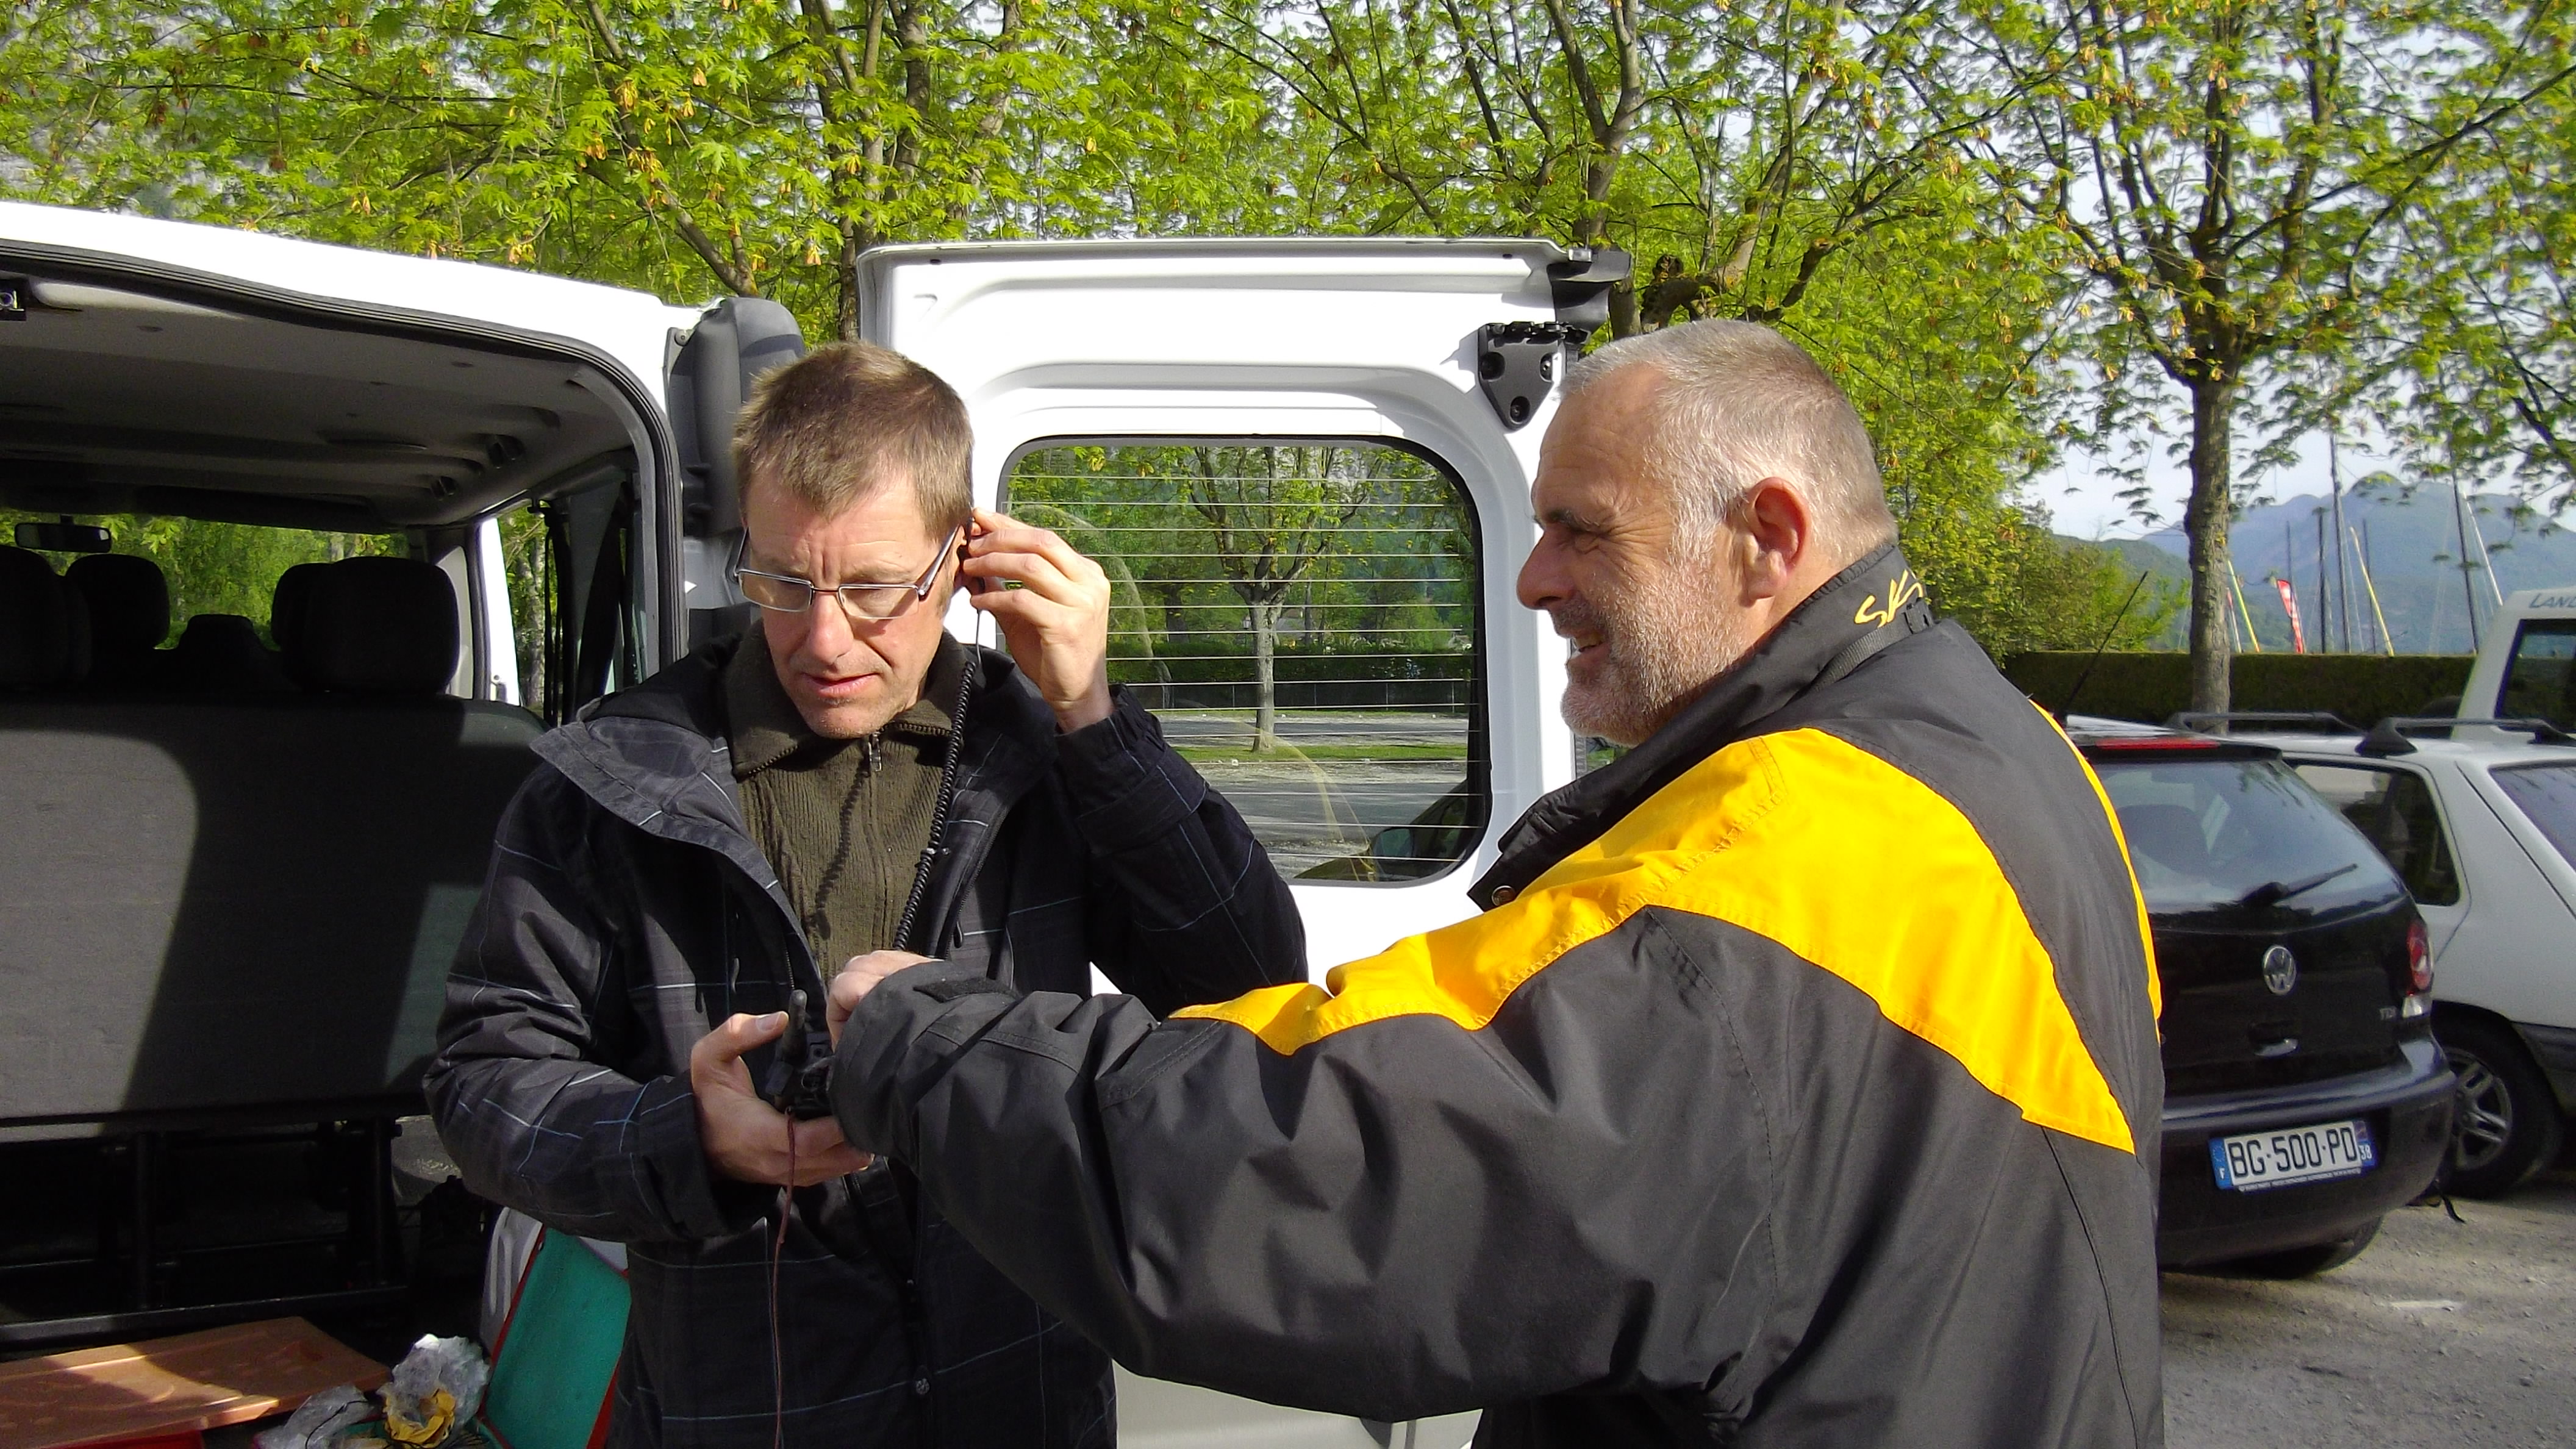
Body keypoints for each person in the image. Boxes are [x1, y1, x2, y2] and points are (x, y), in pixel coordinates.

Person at [818, 320, 2166, 1447]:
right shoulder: (2009, 749)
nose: (1531, 581)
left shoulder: (1775, 858)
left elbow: (1316, 1159)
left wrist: (920, 1040)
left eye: (1582, 531)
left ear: (1766, 534)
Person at [426, 342, 1305, 1448]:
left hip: (1021, 1396)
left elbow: (1251, 981)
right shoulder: (614, 782)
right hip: (742, 1410)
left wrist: (1094, 717)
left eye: (875, 588)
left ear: (964, 559)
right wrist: (687, 1141)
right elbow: (482, 1085)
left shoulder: (1047, 755)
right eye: (783, 583)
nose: (825, 638)